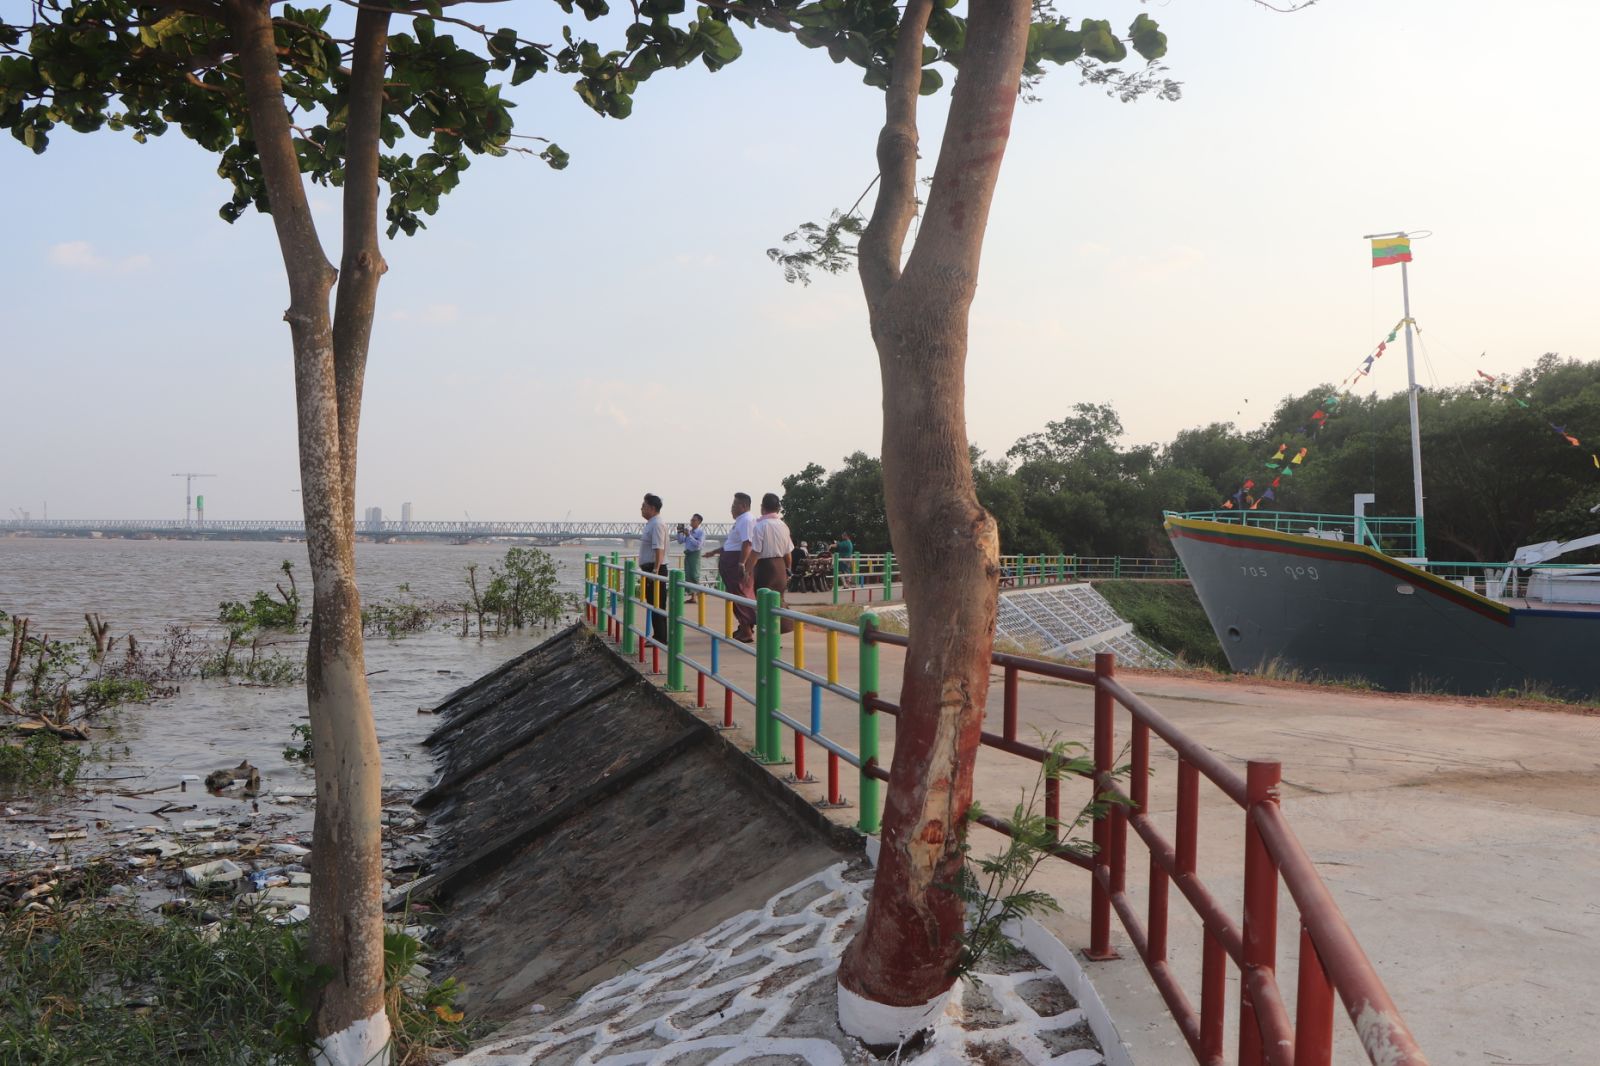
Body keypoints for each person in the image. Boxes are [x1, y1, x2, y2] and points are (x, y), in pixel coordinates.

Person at [708, 492, 757, 642]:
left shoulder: (746, 520)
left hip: (735, 562)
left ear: (744, 506)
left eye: (735, 505)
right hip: (731, 560)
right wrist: (715, 552)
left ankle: (747, 630)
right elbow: (733, 544)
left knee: (738, 596)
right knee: (737, 595)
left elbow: (747, 543)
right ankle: (744, 627)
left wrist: (741, 563)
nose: (732, 508)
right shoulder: (741, 520)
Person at [750, 493, 795, 633]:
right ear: (778, 508)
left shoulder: (760, 526)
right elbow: (788, 553)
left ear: (762, 507)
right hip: (780, 567)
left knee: (763, 603)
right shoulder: (784, 526)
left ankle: (766, 634)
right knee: (778, 600)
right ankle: (777, 633)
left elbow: (755, 552)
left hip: (765, 568)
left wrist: (747, 571)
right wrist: (788, 569)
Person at [638, 493, 668, 644]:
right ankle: (658, 635)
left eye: (644, 506)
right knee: (653, 602)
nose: (641, 508)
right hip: (650, 568)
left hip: (655, 569)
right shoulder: (652, 523)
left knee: (657, 603)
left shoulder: (657, 524)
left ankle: (660, 638)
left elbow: (659, 549)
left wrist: (655, 571)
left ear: (652, 508)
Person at [675, 513, 705, 599]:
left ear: (699, 522)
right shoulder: (689, 531)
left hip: (695, 554)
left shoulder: (700, 532)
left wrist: (689, 536)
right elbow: (680, 541)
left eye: (693, 520)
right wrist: (679, 532)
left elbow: (698, 544)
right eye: (691, 520)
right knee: (688, 575)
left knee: (694, 574)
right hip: (688, 554)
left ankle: (699, 595)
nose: (691, 522)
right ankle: (692, 597)